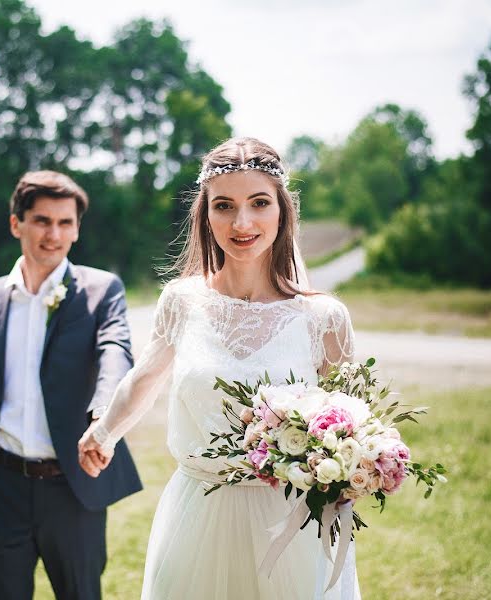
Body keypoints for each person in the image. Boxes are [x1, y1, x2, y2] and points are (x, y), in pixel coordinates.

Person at [78, 138, 362, 599]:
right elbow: (145, 376)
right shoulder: (181, 302)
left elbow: (351, 420)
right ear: (205, 215)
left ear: (282, 212)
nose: (242, 222)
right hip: (199, 514)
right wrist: (103, 432)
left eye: (259, 203)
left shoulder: (323, 318)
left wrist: (352, 472)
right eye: (224, 206)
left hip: (289, 522)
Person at [0, 170, 143, 600]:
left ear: (77, 229)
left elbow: (116, 350)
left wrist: (103, 416)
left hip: (72, 487)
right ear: (16, 223)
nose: (53, 234)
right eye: (41, 220)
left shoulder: (101, 290)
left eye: (65, 223)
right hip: (0, 488)